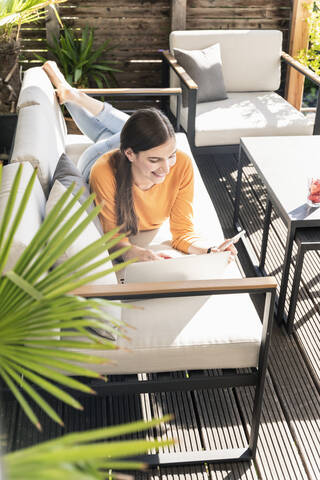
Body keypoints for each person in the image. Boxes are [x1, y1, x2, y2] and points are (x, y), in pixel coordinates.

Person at [43, 61, 237, 262]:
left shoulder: (181, 164)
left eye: (170, 155)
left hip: (130, 146)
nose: (166, 168)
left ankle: (70, 94)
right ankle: (72, 96)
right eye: (155, 160)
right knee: (120, 131)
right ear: (129, 154)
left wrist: (210, 249)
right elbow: (113, 236)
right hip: (95, 157)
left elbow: (183, 232)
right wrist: (134, 252)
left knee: (125, 128)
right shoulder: (104, 170)